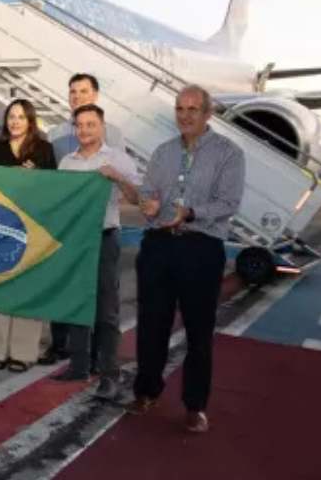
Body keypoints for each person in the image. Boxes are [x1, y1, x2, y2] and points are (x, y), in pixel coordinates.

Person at [128, 85, 244, 434]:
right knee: (151, 325)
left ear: (208, 114)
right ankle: (146, 391)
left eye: (193, 109)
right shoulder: (163, 152)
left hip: (201, 248)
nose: (185, 115)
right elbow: (148, 193)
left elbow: (228, 203)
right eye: (180, 108)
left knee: (198, 330)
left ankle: (195, 406)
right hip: (159, 246)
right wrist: (148, 204)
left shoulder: (229, 153)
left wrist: (190, 213)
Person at [51, 104, 141, 400]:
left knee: (105, 310)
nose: (84, 130)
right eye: (79, 125)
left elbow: (138, 198)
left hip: (104, 238)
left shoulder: (117, 159)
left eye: (90, 124)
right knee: (77, 304)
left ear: (102, 127)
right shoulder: (67, 162)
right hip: (75, 240)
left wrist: (117, 177)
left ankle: (109, 373)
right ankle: (79, 365)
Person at [45, 72, 127, 365]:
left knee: (103, 297)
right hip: (68, 229)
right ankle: (61, 345)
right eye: (73, 92)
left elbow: (122, 180)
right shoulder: (55, 135)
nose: (77, 97)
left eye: (83, 91)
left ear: (95, 95)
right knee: (63, 288)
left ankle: (100, 356)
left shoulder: (113, 133)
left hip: (101, 227)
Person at [0, 99, 57, 373]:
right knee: (1, 288)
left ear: (30, 121)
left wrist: (34, 177)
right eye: (11, 116)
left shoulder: (44, 150)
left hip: (31, 227)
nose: (15, 121)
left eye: (20, 117)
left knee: (27, 288)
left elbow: (54, 188)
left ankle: (24, 353)